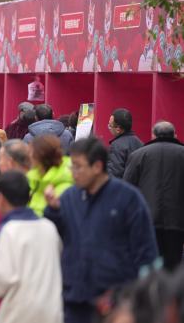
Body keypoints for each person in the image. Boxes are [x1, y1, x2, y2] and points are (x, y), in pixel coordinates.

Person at [44, 137, 158, 323]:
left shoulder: (128, 198)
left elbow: (146, 251)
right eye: (72, 166)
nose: (73, 173)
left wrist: (136, 298)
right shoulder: (69, 197)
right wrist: (53, 211)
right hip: (74, 297)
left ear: (97, 166)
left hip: (115, 301)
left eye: (78, 166)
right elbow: (55, 237)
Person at [0, 171, 63, 323]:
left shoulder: (8, 230)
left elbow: (0, 279)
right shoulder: (49, 227)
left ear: (0, 198)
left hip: (19, 313)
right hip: (52, 312)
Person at [124, 121, 184, 270]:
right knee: (174, 265)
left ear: (153, 135)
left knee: (149, 264)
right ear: (174, 135)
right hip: (177, 220)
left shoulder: (138, 155)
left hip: (147, 219)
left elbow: (128, 189)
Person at [26, 135, 73, 216]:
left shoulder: (65, 186)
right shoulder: (34, 179)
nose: (28, 156)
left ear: (40, 155)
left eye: (31, 152)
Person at [107, 108, 143, 178]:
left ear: (118, 129)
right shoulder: (140, 143)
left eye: (110, 126)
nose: (109, 128)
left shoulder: (116, 146)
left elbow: (115, 174)